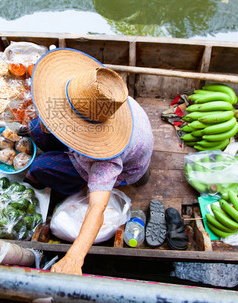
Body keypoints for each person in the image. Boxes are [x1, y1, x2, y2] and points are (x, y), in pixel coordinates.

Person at [25, 47, 154, 275]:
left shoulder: (107, 157)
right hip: (98, 127)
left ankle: (72, 182)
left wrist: (74, 258)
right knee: (36, 128)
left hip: (125, 163)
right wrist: (48, 122)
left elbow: (97, 207)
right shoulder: (91, 98)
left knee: (40, 167)